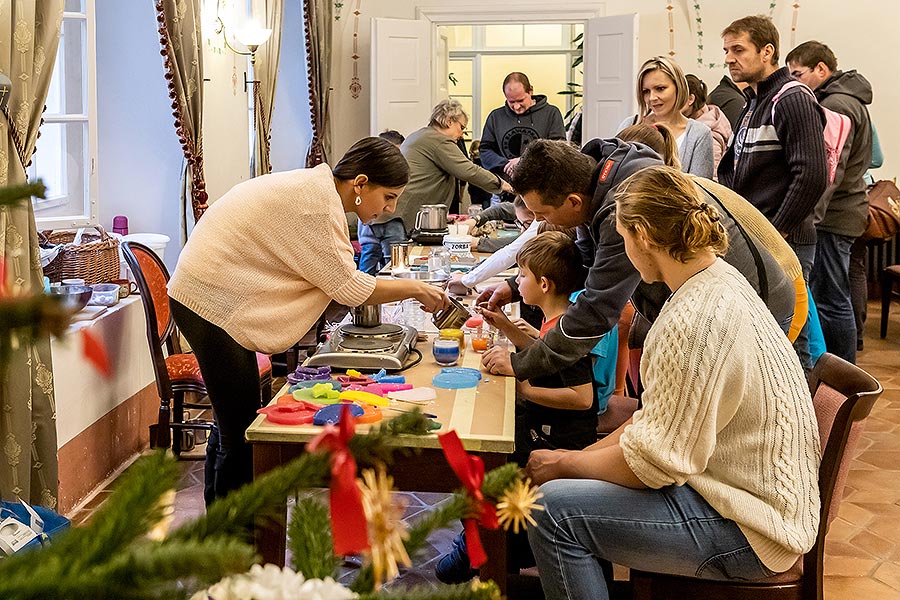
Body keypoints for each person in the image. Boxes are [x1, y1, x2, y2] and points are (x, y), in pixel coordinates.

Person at [524, 165, 820, 600]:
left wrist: (566, 465)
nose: (623, 251)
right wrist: (575, 458)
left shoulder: (691, 319)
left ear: (643, 235)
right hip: (756, 503)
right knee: (568, 486)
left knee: (551, 511)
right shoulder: (718, 278)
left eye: (624, 238)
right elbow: (655, 423)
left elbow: (655, 464)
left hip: (750, 530)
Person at [167, 137, 450, 504]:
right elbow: (349, 286)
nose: (391, 208)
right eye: (390, 196)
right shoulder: (317, 206)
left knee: (232, 422)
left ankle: (221, 530)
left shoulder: (319, 192)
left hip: (207, 295)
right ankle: (233, 538)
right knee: (241, 433)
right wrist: (414, 288)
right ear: (360, 184)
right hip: (207, 301)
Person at [477, 139, 797, 384]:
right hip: (720, 304)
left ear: (573, 202)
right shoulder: (595, 177)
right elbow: (585, 263)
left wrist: (521, 365)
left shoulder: (624, 211)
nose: (538, 221)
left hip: (757, 308)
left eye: (543, 214)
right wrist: (514, 287)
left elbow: (595, 312)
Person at [436, 231, 598, 584]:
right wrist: (508, 328)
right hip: (543, 424)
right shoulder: (556, 320)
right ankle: (480, 537)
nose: (516, 282)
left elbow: (582, 397)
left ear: (543, 283)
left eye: (521, 275)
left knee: (483, 460)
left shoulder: (567, 330)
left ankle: (484, 547)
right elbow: (548, 358)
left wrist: (524, 390)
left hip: (558, 438)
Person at [718, 14, 828, 370]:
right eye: (726, 50)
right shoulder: (752, 103)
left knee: (788, 342)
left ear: (768, 52)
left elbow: (811, 175)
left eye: (738, 49)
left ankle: (802, 423)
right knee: (767, 338)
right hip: (757, 237)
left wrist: (774, 231)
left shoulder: (792, 98)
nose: (729, 58)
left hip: (785, 239)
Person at [786, 40, 873, 363]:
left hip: (834, 216)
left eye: (798, 73)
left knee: (831, 300)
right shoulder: (847, 99)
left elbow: (829, 169)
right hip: (843, 212)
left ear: (821, 70)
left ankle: (842, 379)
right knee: (833, 297)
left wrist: (809, 217)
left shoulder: (836, 104)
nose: (793, 81)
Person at [357, 100, 512, 275]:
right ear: (449, 121)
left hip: (385, 216)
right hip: (396, 217)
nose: (461, 134)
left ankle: (363, 302)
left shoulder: (421, 135)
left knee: (372, 269)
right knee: (397, 271)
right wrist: (503, 185)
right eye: (461, 127)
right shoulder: (438, 140)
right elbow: (468, 170)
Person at [617, 56, 714, 178]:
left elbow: (702, 190)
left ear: (678, 87)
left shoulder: (699, 134)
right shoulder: (629, 124)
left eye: (660, 89)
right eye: (646, 91)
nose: (652, 98)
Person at [479, 72, 566, 193]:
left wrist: (524, 161)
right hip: (504, 191)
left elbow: (558, 149)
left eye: (520, 100)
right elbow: (485, 150)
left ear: (530, 91)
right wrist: (505, 164)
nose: (516, 106)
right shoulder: (495, 117)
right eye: (511, 102)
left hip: (541, 191)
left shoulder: (551, 113)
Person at [683, 74, 733, 177]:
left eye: (677, 97)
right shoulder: (709, 115)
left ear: (690, 99)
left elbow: (712, 178)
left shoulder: (708, 134)